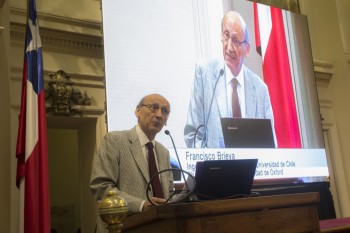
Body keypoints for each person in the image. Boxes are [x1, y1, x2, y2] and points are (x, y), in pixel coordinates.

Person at [184, 11, 275, 148]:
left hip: (251, 168)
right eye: (226, 36)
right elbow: (193, 134)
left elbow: (270, 143)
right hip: (215, 168)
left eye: (236, 41)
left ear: (247, 49)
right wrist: (214, 166)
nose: (229, 47)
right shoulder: (204, 73)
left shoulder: (260, 88)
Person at [90, 94, 173, 232]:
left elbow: (167, 194)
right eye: (154, 107)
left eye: (165, 111)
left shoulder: (164, 152)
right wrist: (141, 205)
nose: (159, 115)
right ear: (137, 111)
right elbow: (101, 187)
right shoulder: (115, 140)